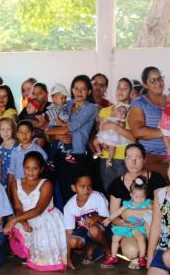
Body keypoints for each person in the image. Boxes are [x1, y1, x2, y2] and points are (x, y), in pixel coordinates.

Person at [106, 143, 167, 269]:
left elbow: (160, 209)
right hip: (132, 228)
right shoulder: (117, 184)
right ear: (124, 160)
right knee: (131, 252)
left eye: (138, 158)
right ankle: (142, 255)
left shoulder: (156, 179)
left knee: (149, 217)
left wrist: (128, 213)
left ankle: (155, 254)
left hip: (153, 227)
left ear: (145, 159)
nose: (133, 162)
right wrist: (124, 223)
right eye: (129, 157)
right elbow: (114, 217)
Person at [5, 151, 68, 271]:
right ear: (23, 167)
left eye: (35, 169)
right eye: (27, 168)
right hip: (25, 217)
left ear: (41, 169)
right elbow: (18, 208)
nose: (31, 172)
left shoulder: (46, 184)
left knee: (44, 258)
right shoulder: (15, 184)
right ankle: (29, 253)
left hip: (45, 218)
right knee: (16, 230)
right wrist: (23, 222)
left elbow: (39, 210)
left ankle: (38, 256)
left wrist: (14, 220)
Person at [47, 75, 97, 209]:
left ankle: (76, 219)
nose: (79, 92)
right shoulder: (67, 104)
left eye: (83, 89)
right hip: (59, 153)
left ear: (89, 91)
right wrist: (55, 136)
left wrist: (48, 131)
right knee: (60, 190)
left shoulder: (90, 108)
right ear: (72, 90)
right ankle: (64, 219)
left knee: (75, 193)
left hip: (77, 156)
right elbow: (50, 130)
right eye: (76, 88)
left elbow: (67, 129)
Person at [101, 179, 152, 269]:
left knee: (140, 238)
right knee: (115, 237)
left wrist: (149, 210)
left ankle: (142, 257)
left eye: (142, 197)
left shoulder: (146, 203)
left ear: (145, 195)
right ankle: (113, 257)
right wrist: (109, 219)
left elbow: (154, 211)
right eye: (136, 197)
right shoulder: (128, 203)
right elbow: (118, 211)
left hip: (138, 226)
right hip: (127, 225)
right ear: (131, 195)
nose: (139, 199)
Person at [63, 173, 110, 268]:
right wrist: (67, 257)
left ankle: (108, 249)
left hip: (104, 229)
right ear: (73, 188)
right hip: (85, 230)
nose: (87, 190)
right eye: (82, 186)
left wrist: (96, 217)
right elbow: (68, 233)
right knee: (72, 241)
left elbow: (108, 219)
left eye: (89, 186)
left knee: (93, 230)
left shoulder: (97, 197)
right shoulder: (69, 206)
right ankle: (91, 247)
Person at [127, 66, 169, 175]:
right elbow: (138, 132)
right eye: (153, 80)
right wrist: (167, 131)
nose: (158, 82)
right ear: (145, 84)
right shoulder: (139, 103)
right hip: (153, 156)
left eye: (160, 78)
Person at [97, 78, 135, 190]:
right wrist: (102, 143)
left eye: (125, 88)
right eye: (119, 87)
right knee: (109, 191)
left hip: (126, 158)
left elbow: (134, 137)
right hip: (107, 157)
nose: (121, 90)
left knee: (126, 193)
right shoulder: (104, 111)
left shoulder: (133, 111)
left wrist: (115, 127)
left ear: (131, 92)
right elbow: (100, 133)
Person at [6, 120, 47, 190]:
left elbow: (43, 162)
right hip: (18, 185)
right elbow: (11, 170)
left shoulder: (37, 150)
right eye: (21, 132)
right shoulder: (15, 151)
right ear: (17, 135)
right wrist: (9, 188)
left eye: (27, 132)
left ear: (32, 133)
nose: (24, 135)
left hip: (33, 185)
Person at [92, 103, 133, 167]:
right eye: (119, 110)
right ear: (115, 112)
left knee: (112, 148)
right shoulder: (110, 118)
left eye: (124, 112)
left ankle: (109, 159)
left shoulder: (122, 121)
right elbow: (102, 125)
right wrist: (103, 121)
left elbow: (122, 126)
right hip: (105, 135)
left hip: (113, 137)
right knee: (95, 142)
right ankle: (99, 152)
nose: (122, 113)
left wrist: (117, 124)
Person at [0, 117, 17, 187]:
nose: (5, 132)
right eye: (2, 129)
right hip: (5, 179)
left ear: (13, 130)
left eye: (8, 129)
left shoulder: (18, 146)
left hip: (18, 178)